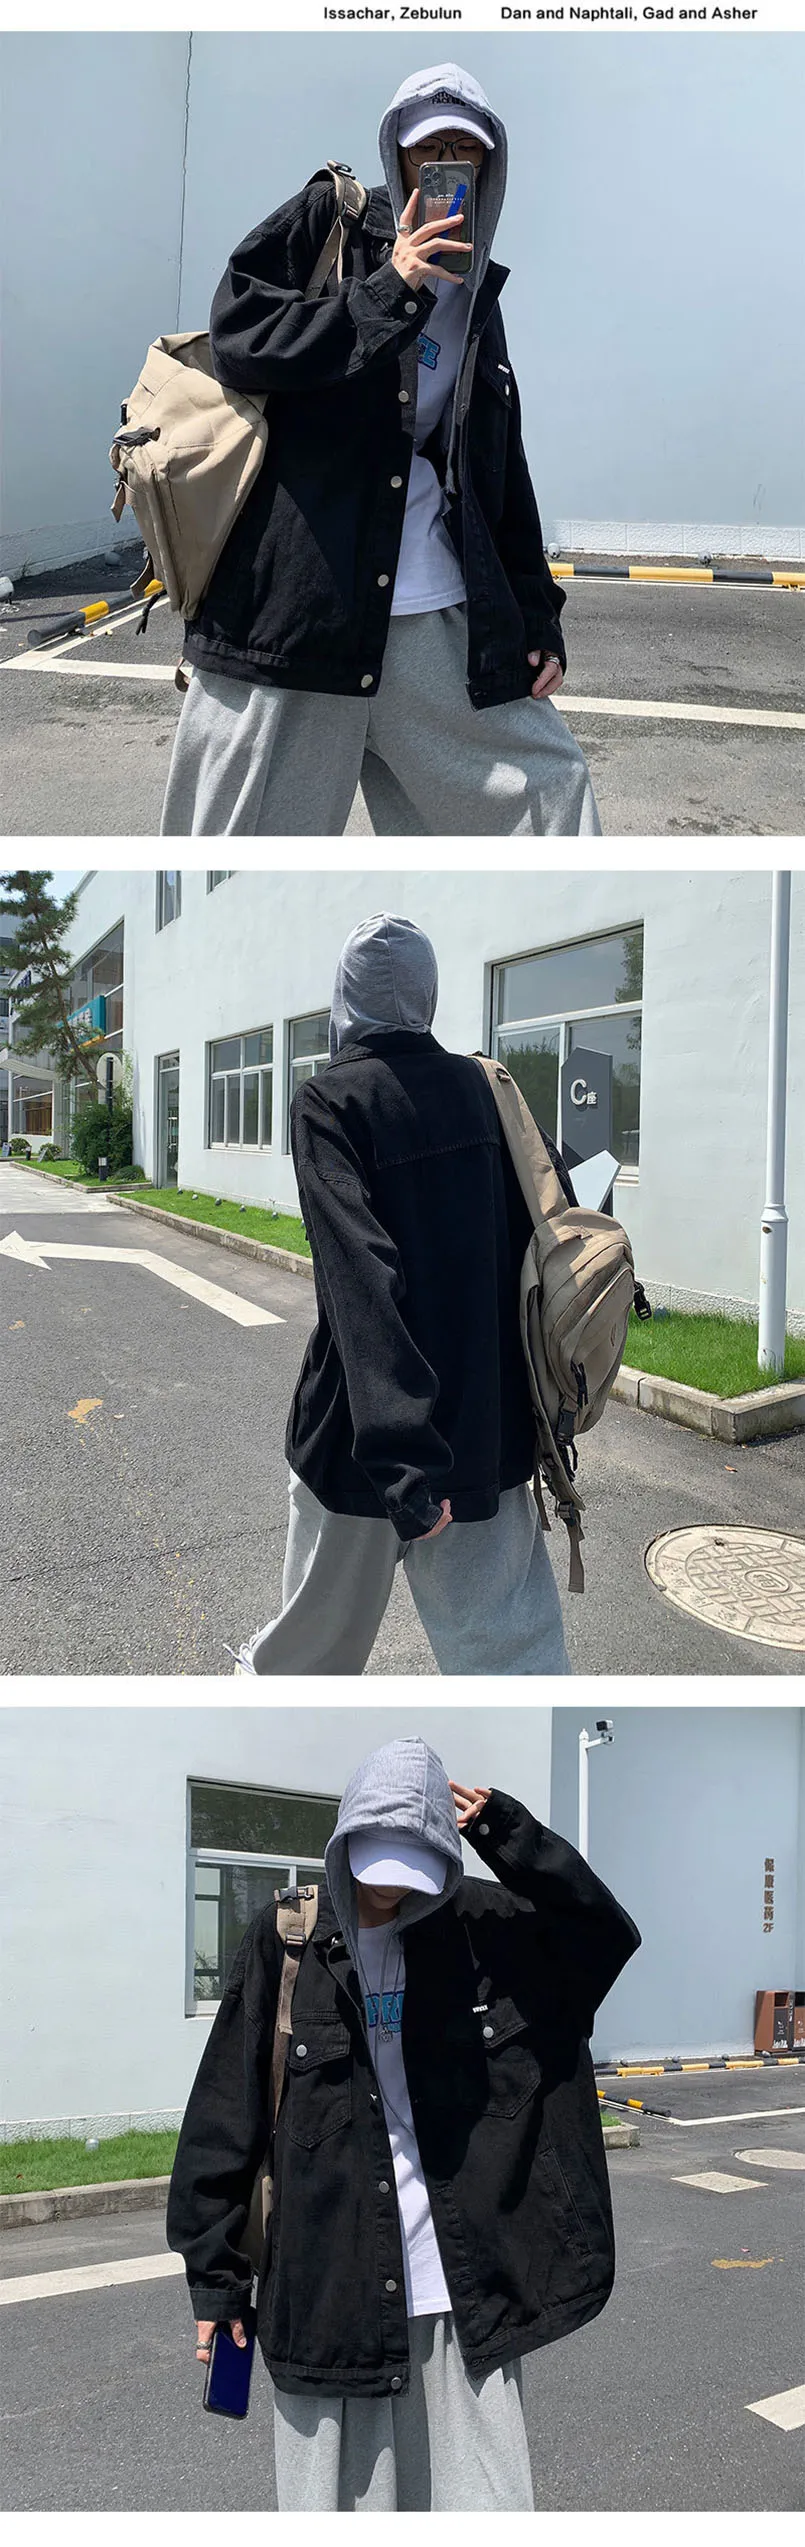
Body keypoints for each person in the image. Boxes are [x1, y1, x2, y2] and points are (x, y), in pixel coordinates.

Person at [167, 1737, 642, 2512]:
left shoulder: (486, 1930)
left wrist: (506, 1833)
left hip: (466, 2296)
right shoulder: (287, 1940)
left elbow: (602, 1939)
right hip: (328, 2302)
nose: (389, 1885)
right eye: (375, 1857)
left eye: (413, 1863)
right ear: (343, 1839)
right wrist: (215, 2283)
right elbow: (226, 2111)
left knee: (485, 2507)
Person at [160, 62, 601, 838]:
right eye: (427, 149)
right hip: (296, 620)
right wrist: (388, 289)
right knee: (242, 856)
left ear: (489, 165)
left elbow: (496, 467)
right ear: (396, 156)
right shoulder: (330, 218)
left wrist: (537, 616)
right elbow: (239, 341)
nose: (446, 165)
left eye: (465, 149)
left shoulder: (476, 299)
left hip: (431, 617)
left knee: (548, 796)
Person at [230, 911, 577, 1678]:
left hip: (363, 1443)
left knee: (309, 1662)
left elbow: (359, 1275)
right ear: (428, 993)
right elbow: (555, 1229)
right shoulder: (488, 1089)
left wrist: (401, 1453)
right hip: (484, 1438)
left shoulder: (331, 1101)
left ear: (344, 996)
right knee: (512, 1662)